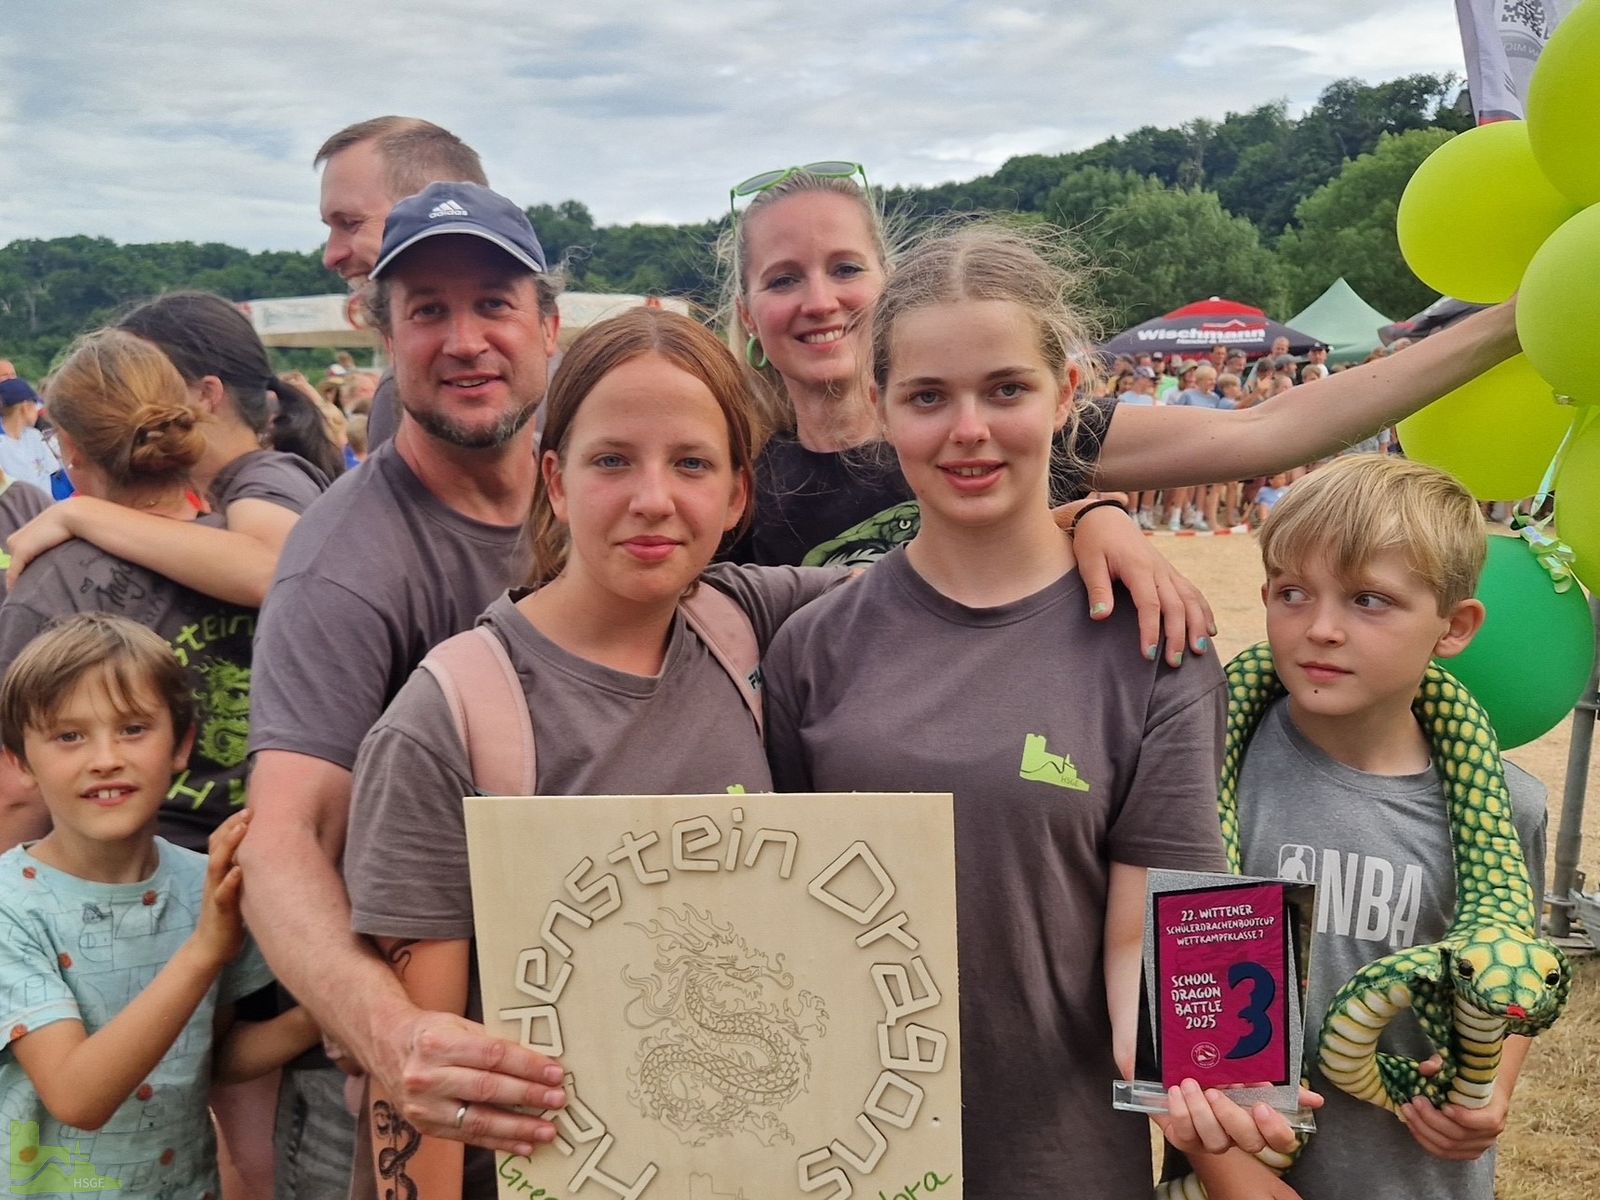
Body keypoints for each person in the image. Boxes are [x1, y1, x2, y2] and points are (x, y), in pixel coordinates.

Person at [762, 224, 1316, 1198]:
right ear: (883, 410)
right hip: (846, 1166)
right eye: (928, 397)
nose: (968, 430)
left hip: (1058, 1168)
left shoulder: (1158, 652)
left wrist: (1207, 1075)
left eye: (1005, 390)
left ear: (1066, 396)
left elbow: (1147, 932)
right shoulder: (814, 647)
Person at [344, 307, 851, 1199]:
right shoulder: (451, 718)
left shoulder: (744, 619)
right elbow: (415, 1088)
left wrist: (1089, 522)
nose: (652, 497)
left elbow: (949, 578)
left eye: (691, 463)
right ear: (556, 479)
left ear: (737, 496)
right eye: (612, 459)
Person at [238, 182, 571, 1195]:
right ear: (383, 334)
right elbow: (283, 840)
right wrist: (391, 1034)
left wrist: (1071, 516)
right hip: (420, 1096)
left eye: (493, 304)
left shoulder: (604, 489)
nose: (465, 339)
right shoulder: (344, 561)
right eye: (427, 310)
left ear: (549, 327)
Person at [723, 167, 1524, 575]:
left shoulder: (1019, 435)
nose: (820, 300)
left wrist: (1519, 321)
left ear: (891, 285)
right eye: (784, 279)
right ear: (750, 314)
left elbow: (1267, 430)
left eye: (845, 268)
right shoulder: (734, 481)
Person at [1194, 455, 1548, 1200]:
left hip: (1415, 1177)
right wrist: (1229, 1176)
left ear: (1454, 627)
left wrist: (1491, 1092)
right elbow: (1180, 999)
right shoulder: (1205, 774)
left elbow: (1514, 975)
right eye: (1292, 593)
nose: (1320, 629)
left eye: (1368, 600)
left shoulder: (1508, 807)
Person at [0, 614, 317, 1200]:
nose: (105, 759)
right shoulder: (11, 908)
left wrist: (323, 1013)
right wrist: (204, 951)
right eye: (69, 736)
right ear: (21, 761)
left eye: (133, 729)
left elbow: (208, 1057)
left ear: (182, 744)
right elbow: (76, 1098)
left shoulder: (208, 886)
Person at [0, 330, 263, 854]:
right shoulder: (257, 545)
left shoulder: (52, 585)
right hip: (270, 865)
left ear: (70, 446)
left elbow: (19, 788)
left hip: (117, 884)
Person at [6, 292, 331, 609]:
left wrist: (79, 513)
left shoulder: (271, 476)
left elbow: (269, 570)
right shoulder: (226, 489)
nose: (130, 398)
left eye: (151, 377)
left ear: (206, 393)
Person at [315, 115, 490, 450]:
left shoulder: (404, 393)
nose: (331, 256)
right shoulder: (565, 377)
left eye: (350, 223)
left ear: (437, 213)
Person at [0, 378, 61, 495]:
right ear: (25, 407)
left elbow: (54, 472)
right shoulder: (3, 444)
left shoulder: (34, 436)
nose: (37, 412)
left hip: (48, 507)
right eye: (35, 405)